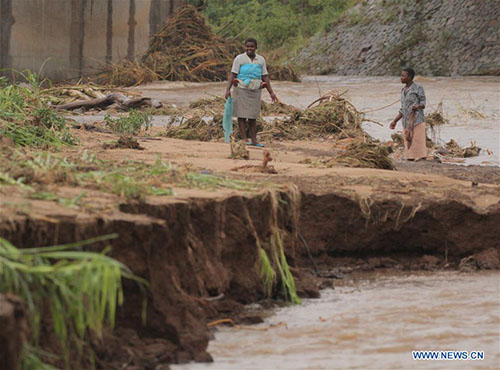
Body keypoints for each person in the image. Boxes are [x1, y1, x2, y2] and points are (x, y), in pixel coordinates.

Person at [224, 38, 278, 147]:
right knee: (242, 115)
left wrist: (271, 92)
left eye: (252, 46)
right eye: (247, 46)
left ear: (256, 47)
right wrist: (227, 90)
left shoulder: (261, 60)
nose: (249, 48)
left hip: (255, 90)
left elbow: (265, 77)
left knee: (253, 116)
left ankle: (254, 140)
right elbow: (233, 74)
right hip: (241, 89)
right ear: (245, 47)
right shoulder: (239, 59)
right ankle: (244, 139)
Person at [390, 67, 427, 161]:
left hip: (417, 120)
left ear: (410, 77)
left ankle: (421, 160)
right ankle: (410, 159)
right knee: (408, 142)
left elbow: (423, 103)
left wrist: (417, 106)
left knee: (418, 143)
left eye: (403, 76)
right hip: (406, 122)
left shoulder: (418, 88)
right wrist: (395, 121)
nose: (401, 78)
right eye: (401, 75)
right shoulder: (403, 90)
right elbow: (403, 109)